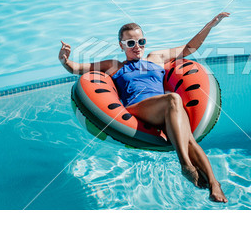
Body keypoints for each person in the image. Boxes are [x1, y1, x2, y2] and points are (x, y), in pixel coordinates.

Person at [59, 12, 229, 202]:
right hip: (137, 109)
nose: (137, 47)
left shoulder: (156, 58)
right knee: (173, 99)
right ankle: (185, 163)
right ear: (121, 45)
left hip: (165, 109)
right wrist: (65, 60)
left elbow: (189, 48)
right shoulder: (114, 65)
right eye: (130, 43)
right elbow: (75, 69)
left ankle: (214, 184)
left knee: (189, 138)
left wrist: (210, 25)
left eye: (141, 41)